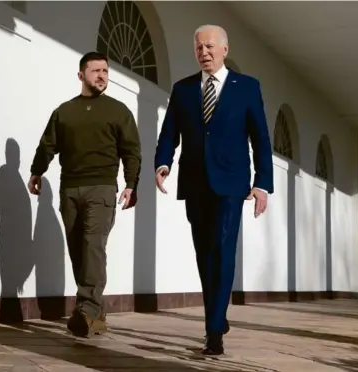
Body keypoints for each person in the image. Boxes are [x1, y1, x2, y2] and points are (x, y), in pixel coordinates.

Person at [154, 25, 274, 355]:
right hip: (194, 182)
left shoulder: (247, 88)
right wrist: (162, 163)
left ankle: (213, 330)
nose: (204, 52)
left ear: (224, 49)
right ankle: (217, 317)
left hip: (232, 184)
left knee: (222, 249)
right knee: (204, 254)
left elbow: (260, 138)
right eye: (198, 48)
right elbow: (169, 134)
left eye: (209, 47)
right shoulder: (182, 89)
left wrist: (262, 183)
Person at [28, 51, 142, 338]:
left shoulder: (119, 111)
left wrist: (130, 184)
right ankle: (96, 313)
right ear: (81, 75)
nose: (102, 75)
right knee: (79, 251)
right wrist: (36, 172)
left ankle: (87, 310)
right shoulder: (64, 112)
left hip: (102, 188)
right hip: (69, 189)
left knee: (93, 246)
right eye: (95, 71)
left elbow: (132, 151)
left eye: (105, 70)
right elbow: (47, 145)